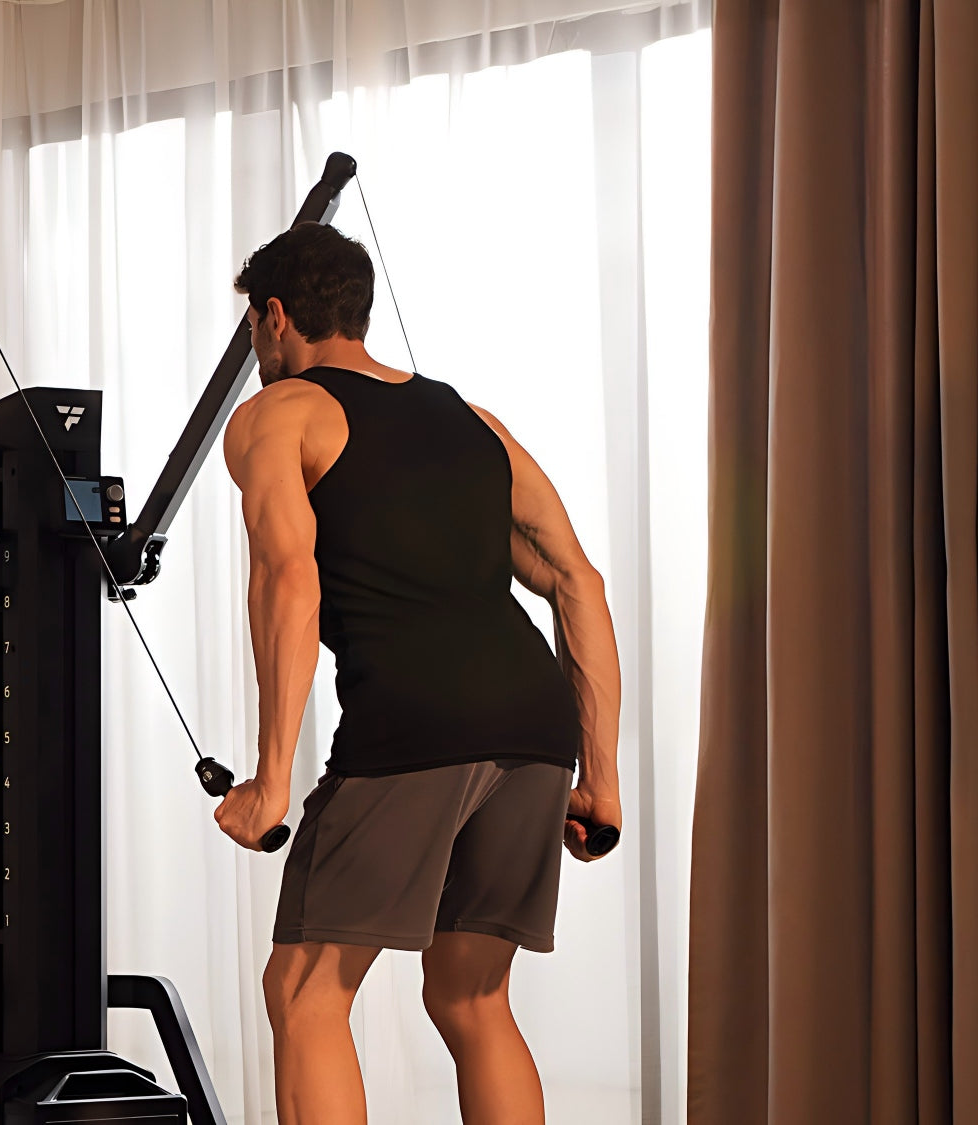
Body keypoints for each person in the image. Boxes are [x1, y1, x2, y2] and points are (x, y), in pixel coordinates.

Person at [213, 222, 623, 1124]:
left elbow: (287, 579)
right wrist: (601, 776)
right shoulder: (474, 421)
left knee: (304, 991)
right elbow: (578, 582)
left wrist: (272, 781)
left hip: (414, 724)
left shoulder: (277, 415)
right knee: (472, 996)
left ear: (276, 316)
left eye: (253, 327)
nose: (255, 347)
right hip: (534, 726)